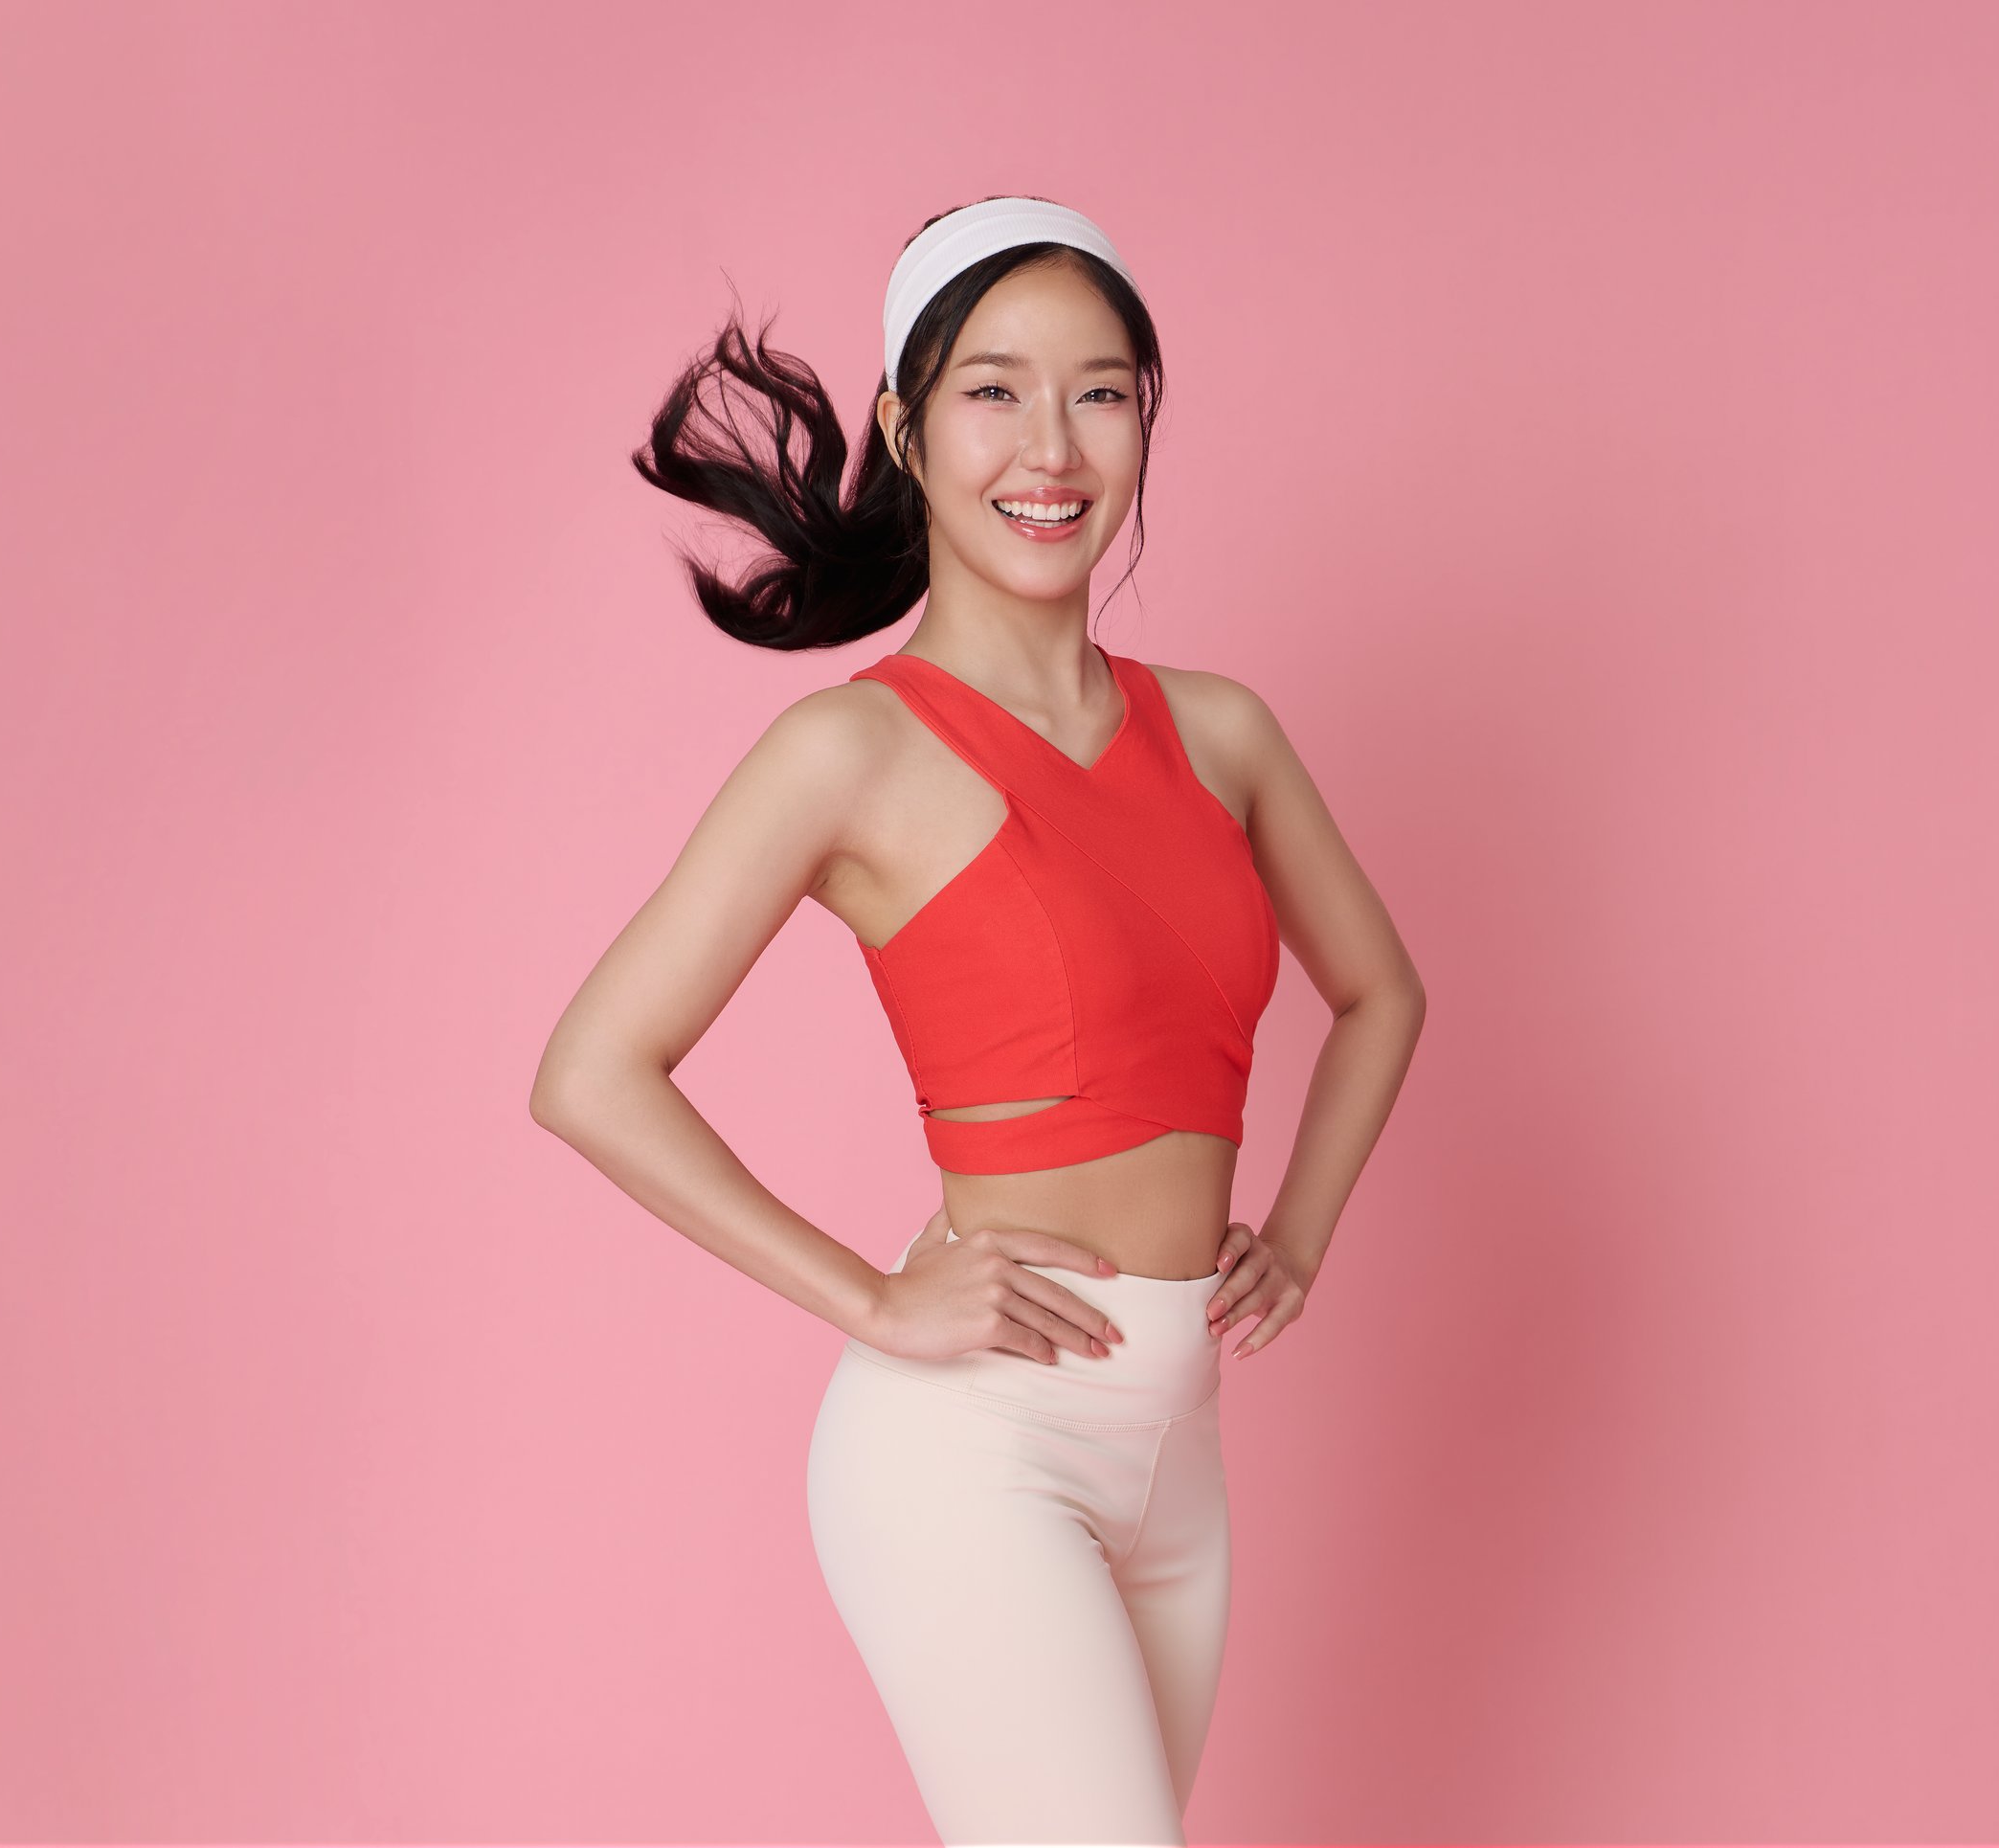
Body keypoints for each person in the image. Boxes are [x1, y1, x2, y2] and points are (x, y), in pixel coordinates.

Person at [530, 194, 1426, 1845]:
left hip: (1179, 1457)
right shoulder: (849, 754)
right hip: (975, 1449)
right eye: (995, 388)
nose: (1055, 441)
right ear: (907, 423)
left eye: (1102, 389)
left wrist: (1294, 1232)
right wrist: (872, 1299)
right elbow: (590, 1071)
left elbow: (1381, 992)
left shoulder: (1221, 734)